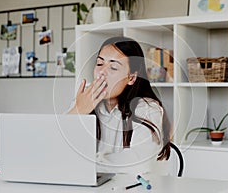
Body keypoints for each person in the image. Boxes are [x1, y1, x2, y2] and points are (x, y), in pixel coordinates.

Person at [69, 36, 172, 174]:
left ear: (131, 77)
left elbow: (137, 162)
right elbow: (54, 148)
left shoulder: (147, 108)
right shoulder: (85, 101)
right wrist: (77, 111)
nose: (101, 73)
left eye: (113, 67)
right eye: (99, 64)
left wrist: (82, 163)